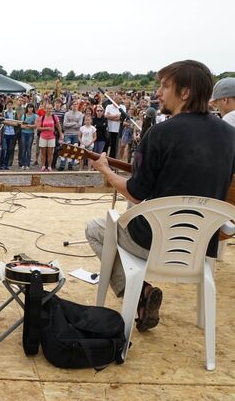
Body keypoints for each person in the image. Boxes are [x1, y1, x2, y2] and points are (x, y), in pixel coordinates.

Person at [86, 60, 235, 333]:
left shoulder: (160, 133)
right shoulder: (230, 134)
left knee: (95, 228)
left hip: (154, 244)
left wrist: (106, 171)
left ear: (185, 92)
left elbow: (135, 192)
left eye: (166, 86)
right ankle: (143, 293)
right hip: (202, 247)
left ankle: (138, 290)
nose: (159, 92)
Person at [36, 102, 62, 172]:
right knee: (43, 152)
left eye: (50, 108)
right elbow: (38, 128)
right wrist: (47, 128)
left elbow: (58, 126)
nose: (49, 110)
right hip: (43, 136)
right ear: (45, 109)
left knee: (50, 153)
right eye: (47, 108)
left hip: (52, 137)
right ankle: (43, 166)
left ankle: (49, 166)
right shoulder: (42, 117)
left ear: (52, 109)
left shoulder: (55, 117)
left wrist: (61, 134)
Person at [19, 103, 37, 169]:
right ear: (27, 108)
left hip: (30, 134)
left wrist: (28, 126)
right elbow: (21, 125)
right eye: (29, 107)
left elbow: (36, 125)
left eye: (31, 107)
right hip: (23, 133)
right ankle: (23, 164)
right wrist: (30, 126)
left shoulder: (35, 116)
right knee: (23, 149)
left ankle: (28, 164)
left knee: (29, 149)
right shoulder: (24, 115)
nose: (30, 109)